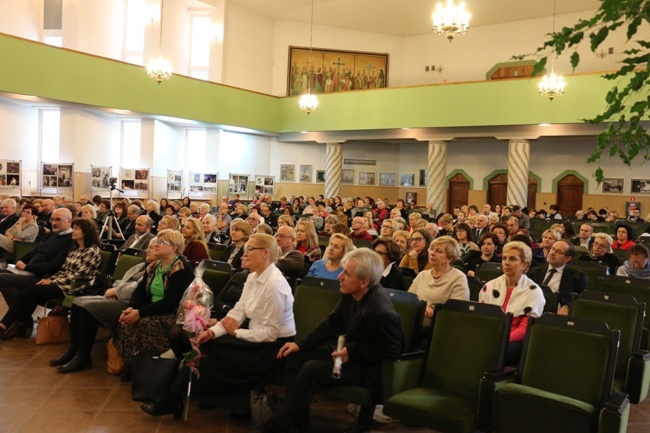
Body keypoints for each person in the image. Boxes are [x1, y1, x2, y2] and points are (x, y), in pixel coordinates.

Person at [142, 233, 296, 417]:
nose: (244, 254)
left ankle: (176, 399)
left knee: (208, 352)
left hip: (272, 347)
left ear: (265, 254)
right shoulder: (253, 277)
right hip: (254, 335)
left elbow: (270, 334)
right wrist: (213, 332)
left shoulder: (275, 285)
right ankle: (177, 399)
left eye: (250, 249)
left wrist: (237, 332)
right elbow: (238, 312)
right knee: (205, 343)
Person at [263, 249, 403, 433]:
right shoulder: (351, 293)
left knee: (311, 369)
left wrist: (352, 351)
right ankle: (298, 422)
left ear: (364, 282)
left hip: (369, 369)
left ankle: (282, 422)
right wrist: (300, 344)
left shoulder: (380, 311)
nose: (339, 277)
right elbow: (331, 323)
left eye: (346, 273)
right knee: (295, 357)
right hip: (349, 355)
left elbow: (393, 349)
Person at [50, 243, 155, 373]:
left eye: (152, 248)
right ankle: (74, 348)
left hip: (130, 304)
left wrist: (116, 291)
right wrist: (115, 290)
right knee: (78, 302)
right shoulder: (142, 265)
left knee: (88, 307)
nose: (147, 250)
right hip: (118, 297)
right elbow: (121, 281)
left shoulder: (153, 270)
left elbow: (135, 289)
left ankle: (83, 356)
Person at [0, 218, 102, 340]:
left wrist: (52, 281)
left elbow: (79, 276)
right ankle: (14, 324)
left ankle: (14, 325)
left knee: (32, 290)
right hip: (62, 282)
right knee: (28, 290)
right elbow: (63, 271)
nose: (73, 231)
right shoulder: (75, 249)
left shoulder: (91, 251)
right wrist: (51, 279)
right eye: (73, 228)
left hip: (75, 287)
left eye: (76, 229)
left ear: (86, 232)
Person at [115, 230, 195, 369]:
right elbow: (140, 291)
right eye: (156, 241)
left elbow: (171, 301)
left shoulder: (181, 268)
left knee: (145, 323)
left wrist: (140, 313)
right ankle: (132, 364)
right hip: (152, 307)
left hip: (173, 312)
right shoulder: (154, 266)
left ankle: (151, 365)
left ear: (173, 248)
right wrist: (132, 308)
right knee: (126, 320)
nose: (155, 245)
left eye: (161, 242)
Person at [479, 241, 545, 365]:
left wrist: (499, 339)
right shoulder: (490, 286)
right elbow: (482, 319)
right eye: (504, 258)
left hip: (515, 341)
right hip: (490, 334)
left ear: (524, 264)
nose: (506, 263)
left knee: (493, 350)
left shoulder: (533, 292)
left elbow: (524, 330)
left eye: (513, 259)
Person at [0, 207, 74, 315]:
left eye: (58, 220)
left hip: (42, 275)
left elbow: (54, 266)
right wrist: (19, 261)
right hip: (30, 270)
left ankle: (19, 317)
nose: (54, 223)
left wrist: (26, 267)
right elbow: (33, 252)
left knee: (2, 279)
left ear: (69, 221)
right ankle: (19, 316)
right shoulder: (51, 235)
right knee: (1, 272)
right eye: (52, 219)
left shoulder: (70, 240)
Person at [408, 236, 469, 322]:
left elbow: (458, 310)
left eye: (439, 251)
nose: (432, 253)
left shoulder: (458, 278)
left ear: (450, 258)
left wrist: (433, 311)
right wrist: (422, 307)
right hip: (416, 319)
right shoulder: (422, 275)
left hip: (441, 324)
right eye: (432, 249)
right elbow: (409, 299)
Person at [527, 240, 588, 314]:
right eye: (552, 249)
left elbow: (581, 299)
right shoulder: (533, 272)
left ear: (567, 259)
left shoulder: (578, 277)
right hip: (532, 311)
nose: (552, 253)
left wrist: (567, 306)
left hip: (557, 316)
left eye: (558, 252)